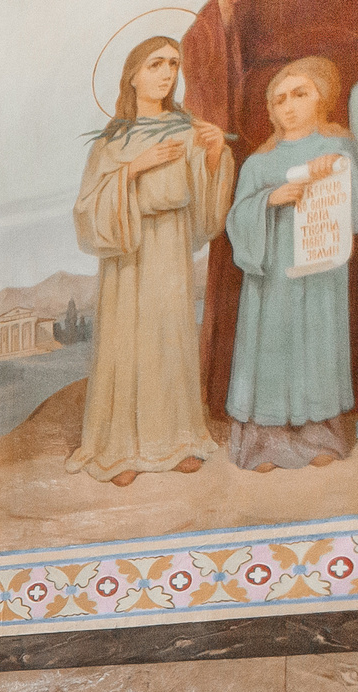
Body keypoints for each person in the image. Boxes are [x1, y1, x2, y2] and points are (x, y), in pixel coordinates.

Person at [68, 36, 235, 486]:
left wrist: (216, 152)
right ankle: (121, 450)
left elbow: (207, 203)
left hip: (171, 245)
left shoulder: (186, 130)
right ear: (133, 75)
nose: (166, 74)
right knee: (128, 341)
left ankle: (177, 441)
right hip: (129, 252)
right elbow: (87, 208)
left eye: (173, 65)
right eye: (155, 64)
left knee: (168, 336)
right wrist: (133, 167)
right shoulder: (112, 141)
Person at [224, 59, 358, 472]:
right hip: (272, 278)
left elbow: (355, 206)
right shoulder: (259, 162)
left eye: (300, 94)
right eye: (280, 99)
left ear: (322, 97)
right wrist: (269, 199)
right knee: (272, 348)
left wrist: (335, 172)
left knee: (317, 344)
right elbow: (237, 219)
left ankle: (319, 434)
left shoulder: (338, 148)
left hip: (321, 272)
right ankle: (265, 441)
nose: (288, 106)